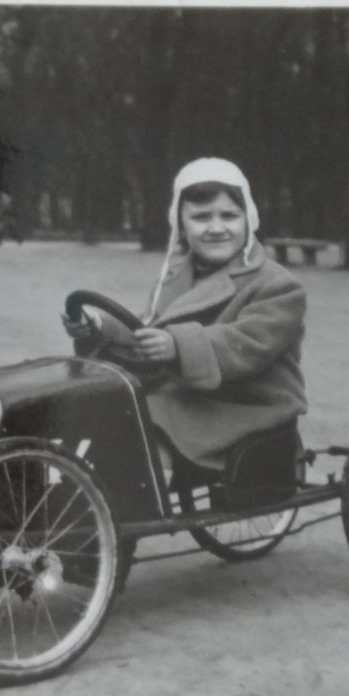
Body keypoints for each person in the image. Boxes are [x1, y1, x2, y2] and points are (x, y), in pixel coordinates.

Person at [63, 157, 307, 479]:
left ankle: (132, 498)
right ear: (181, 224)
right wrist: (99, 326)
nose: (217, 228)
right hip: (187, 392)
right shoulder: (177, 276)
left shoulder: (278, 285)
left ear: (248, 219)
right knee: (100, 409)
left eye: (229, 216)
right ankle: (93, 496)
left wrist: (177, 345)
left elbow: (244, 344)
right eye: (201, 217)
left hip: (249, 404)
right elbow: (149, 328)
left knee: (149, 422)